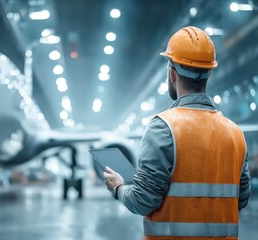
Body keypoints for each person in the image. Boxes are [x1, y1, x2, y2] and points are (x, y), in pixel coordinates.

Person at [104, 26, 251, 239]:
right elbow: (241, 198)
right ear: (209, 72)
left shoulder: (163, 127)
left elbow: (142, 201)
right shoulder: (235, 133)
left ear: (172, 74)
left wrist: (118, 187)